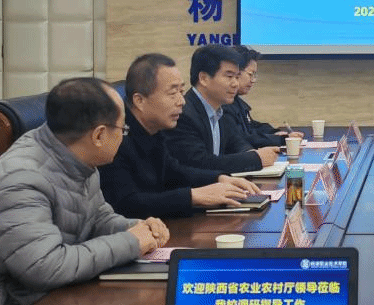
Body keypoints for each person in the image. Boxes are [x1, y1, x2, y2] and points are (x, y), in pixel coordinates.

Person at [0, 77, 168, 305]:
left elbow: (97, 217)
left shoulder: (78, 158)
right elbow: (45, 267)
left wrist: (138, 228)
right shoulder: (20, 179)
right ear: (98, 135)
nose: (123, 137)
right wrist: (131, 242)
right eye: (122, 129)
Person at [100, 53, 260, 218]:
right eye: (172, 93)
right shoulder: (115, 137)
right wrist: (194, 197)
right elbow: (126, 204)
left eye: (181, 91)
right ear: (139, 100)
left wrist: (219, 178)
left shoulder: (154, 130)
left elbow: (173, 172)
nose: (182, 101)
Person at [166, 43, 280, 173]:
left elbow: (237, 143)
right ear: (204, 78)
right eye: (229, 76)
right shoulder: (183, 114)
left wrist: (253, 153)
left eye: (237, 77)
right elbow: (199, 163)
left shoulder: (219, 111)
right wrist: (255, 158)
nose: (235, 84)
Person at [224, 45, 302, 148]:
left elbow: (251, 126)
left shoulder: (236, 101)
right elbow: (244, 139)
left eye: (254, 75)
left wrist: (274, 133)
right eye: (250, 74)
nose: (253, 80)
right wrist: (281, 139)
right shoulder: (224, 105)